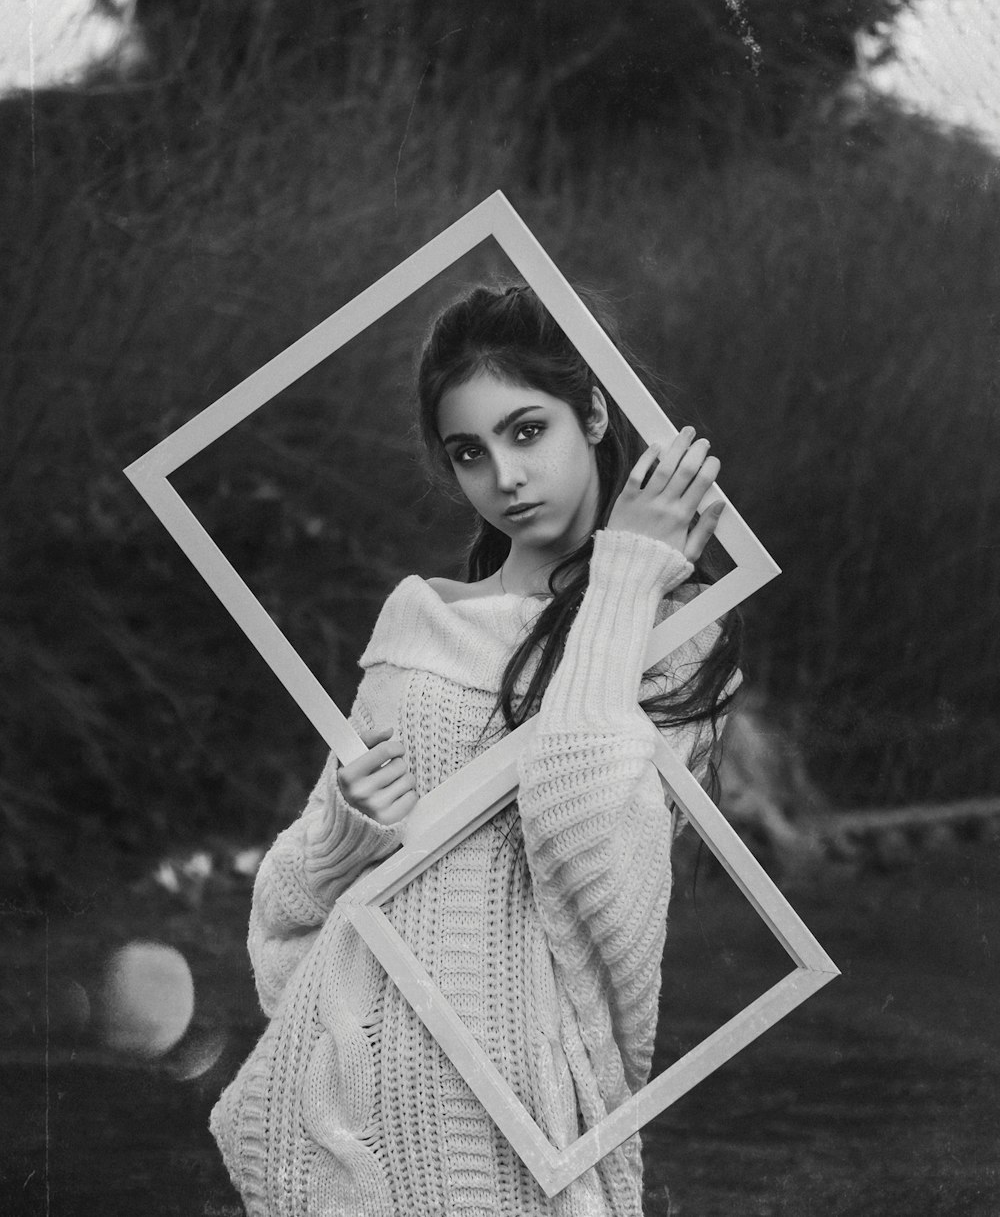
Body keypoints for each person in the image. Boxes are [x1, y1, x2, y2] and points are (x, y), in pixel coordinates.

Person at [209, 282, 742, 1216]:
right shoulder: (416, 618)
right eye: (470, 452)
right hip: (360, 1080)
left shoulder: (675, 635)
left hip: (519, 1099)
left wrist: (627, 574)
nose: (504, 476)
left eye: (527, 430)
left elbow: (586, 835)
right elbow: (294, 904)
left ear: (593, 412)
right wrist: (348, 828)